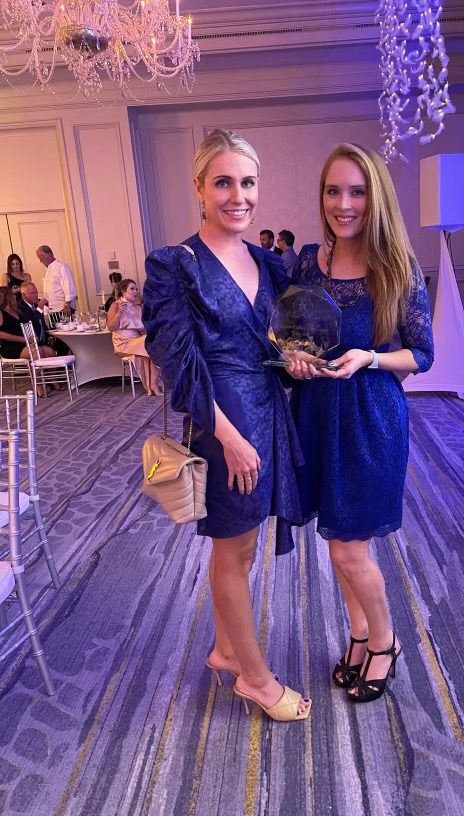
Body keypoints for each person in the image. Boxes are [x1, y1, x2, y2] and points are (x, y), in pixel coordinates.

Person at [143, 128, 310, 722]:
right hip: (224, 427)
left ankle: (222, 649)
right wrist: (228, 438)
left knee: (239, 548)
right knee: (234, 552)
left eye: (247, 182)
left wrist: (289, 361)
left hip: (267, 416)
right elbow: (179, 363)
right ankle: (256, 680)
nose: (237, 195)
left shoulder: (265, 260)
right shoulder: (176, 265)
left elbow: (267, 344)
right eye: (223, 182)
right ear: (199, 188)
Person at [287, 142, 434, 703]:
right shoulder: (308, 262)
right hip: (318, 414)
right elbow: (296, 337)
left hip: (371, 417)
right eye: (333, 191)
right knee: (337, 546)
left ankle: (387, 642)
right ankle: (358, 637)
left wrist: (371, 357)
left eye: (357, 191)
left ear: (375, 198)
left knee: (351, 549)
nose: (343, 204)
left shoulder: (397, 266)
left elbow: (423, 354)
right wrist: (295, 361)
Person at [107, 279, 163, 397]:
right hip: (123, 343)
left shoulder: (138, 308)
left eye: (137, 289)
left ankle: (153, 383)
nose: (136, 291)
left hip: (137, 340)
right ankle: (153, 385)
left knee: (157, 343)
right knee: (153, 345)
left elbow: (143, 330)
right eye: (132, 289)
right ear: (123, 291)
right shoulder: (116, 305)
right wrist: (119, 314)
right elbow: (111, 328)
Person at [18, 282, 71, 357]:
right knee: (52, 351)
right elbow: (31, 322)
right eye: (32, 293)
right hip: (31, 343)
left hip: (44, 340)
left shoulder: (35, 305)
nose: (36, 295)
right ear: (23, 295)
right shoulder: (20, 307)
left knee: (63, 343)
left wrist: (49, 336)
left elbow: (42, 324)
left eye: (36, 292)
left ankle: (61, 366)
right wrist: (40, 307)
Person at [36, 245, 76, 316]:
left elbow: (69, 288)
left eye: (41, 257)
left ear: (49, 255)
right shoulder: (48, 270)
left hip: (63, 308)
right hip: (52, 310)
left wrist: (67, 305)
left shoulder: (62, 268)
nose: (40, 261)